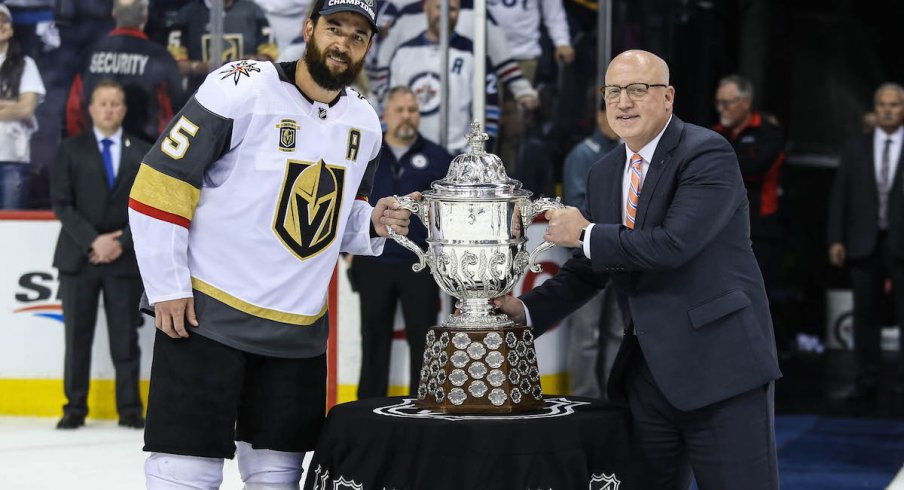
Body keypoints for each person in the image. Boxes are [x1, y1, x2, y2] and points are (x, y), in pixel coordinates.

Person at [128, 0, 414, 486]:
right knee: (185, 468)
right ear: (309, 29)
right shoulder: (240, 87)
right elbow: (160, 182)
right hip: (209, 316)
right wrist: (167, 285)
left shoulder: (365, 124)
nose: (343, 42)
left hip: (296, 332)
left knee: (278, 474)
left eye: (358, 35)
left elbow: (331, 220)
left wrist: (371, 224)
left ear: (369, 47)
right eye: (334, 27)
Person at [495, 50, 781, 489]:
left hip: (722, 370)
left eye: (637, 89)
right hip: (646, 376)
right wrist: (527, 311)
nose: (623, 101)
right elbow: (591, 268)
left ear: (667, 98)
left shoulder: (707, 153)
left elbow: (672, 245)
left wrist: (586, 232)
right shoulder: (604, 172)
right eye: (613, 91)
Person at [51, 79, 150, 430]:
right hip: (79, 259)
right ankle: (74, 408)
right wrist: (94, 241)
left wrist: (119, 242)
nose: (108, 109)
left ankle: (130, 410)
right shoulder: (70, 149)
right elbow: (61, 202)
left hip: (122, 262)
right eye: (102, 103)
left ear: (123, 110)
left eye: (115, 103)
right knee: (77, 338)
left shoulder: (142, 151)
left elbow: (147, 206)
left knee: (125, 338)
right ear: (90, 109)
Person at [350, 85, 451, 399]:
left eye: (413, 110)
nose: (407, 117)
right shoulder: (367, 155)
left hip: (418, 265)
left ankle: (422, 412)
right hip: (373, 264)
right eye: (400, 110)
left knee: (423, 343)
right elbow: (348, 204)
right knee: (373, 341)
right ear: (386, 115)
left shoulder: (438, 159)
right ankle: (368, 415)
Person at [827, 82, 904, 405]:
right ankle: (865, 380)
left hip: (901, 241)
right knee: (864, 316)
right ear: (875, 108)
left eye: (894, 104)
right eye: (882, 104)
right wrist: (835, 238)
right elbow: (840, 195)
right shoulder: (857, 146)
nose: (887, 110)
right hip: (863, 241)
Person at [560, 103, 621, 398]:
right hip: (589, 255)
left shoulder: (627, 150)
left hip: (620, 253)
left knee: (617, 332)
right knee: (587, 335)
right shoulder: (582, 153)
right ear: (598, 116)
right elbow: (576, 207)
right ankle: (585, 397)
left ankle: (613, 394)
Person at [384, 0, 501, 154]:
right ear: (425, 7)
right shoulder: (403, 53)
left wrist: (480, 152)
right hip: (410, 154)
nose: (445, 15)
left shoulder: (475, 54)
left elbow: (490, 108)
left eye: (452, 9)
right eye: (439, 8)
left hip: (459, 157)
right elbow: (389, 107)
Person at [65, 0, 184, 144]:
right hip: (146, 153)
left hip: (96, 149)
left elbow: (74, 110)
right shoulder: (160, 57)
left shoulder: (90, 54)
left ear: (114, 14)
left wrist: (85, 148)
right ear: (145, 16)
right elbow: (175, 112)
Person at [712, 74, 784, 289]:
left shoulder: (768, 132)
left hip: (758, 226)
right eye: (718, 102)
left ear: (745, 102)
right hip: (720, 225)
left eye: (727, 103)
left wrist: (721, 163)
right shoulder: (714, 134)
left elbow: (755, 167)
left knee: (753, 291)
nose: (721, 108)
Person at [0, 3, 45, 209]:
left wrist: (15, 106)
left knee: (12, 226)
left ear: (11, 28)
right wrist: (11, 105)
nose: (1, 25)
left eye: (4, 20)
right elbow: (19, 106)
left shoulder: (25, 64)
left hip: (13, 159)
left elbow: (27, 108)